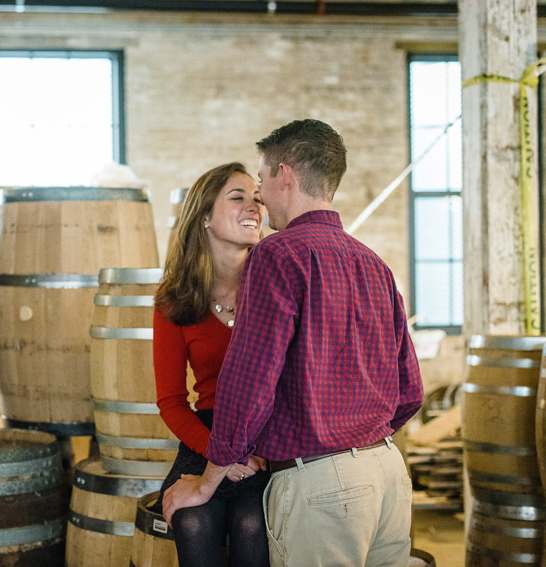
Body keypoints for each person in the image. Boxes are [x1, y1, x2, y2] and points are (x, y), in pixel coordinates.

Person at [162, 119, 424, 567]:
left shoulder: (277, 255)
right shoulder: (373, 263)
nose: (259, 195)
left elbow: (249, 384)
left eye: (261, 179)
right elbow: (411, 391)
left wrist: (207, 482)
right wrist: (361, 440)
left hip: (322, 484)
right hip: (388, 474)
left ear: (285, 174)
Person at [153, 162, 271, 567]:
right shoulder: (175, 299)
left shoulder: (276, 286)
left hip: (268, 441)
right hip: (208, 436)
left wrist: (250, 455)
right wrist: (222, 455)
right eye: (238, 197)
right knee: (192, 523)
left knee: (253, 526)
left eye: (258, 197)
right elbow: (170, 401)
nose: (254, 206)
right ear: (204, 215)